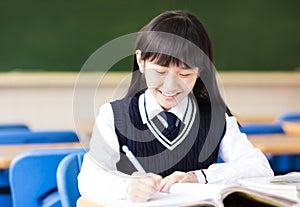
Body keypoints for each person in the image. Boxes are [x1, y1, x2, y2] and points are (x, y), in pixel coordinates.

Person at [78, 10, 273, 203]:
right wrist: (127, 187)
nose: (170, 86)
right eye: (160, 72)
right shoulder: (113, 115)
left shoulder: (215, 117)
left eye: (185, 74)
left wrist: (199, 177)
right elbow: (89, 179)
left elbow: (259, 168)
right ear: (141, 61)